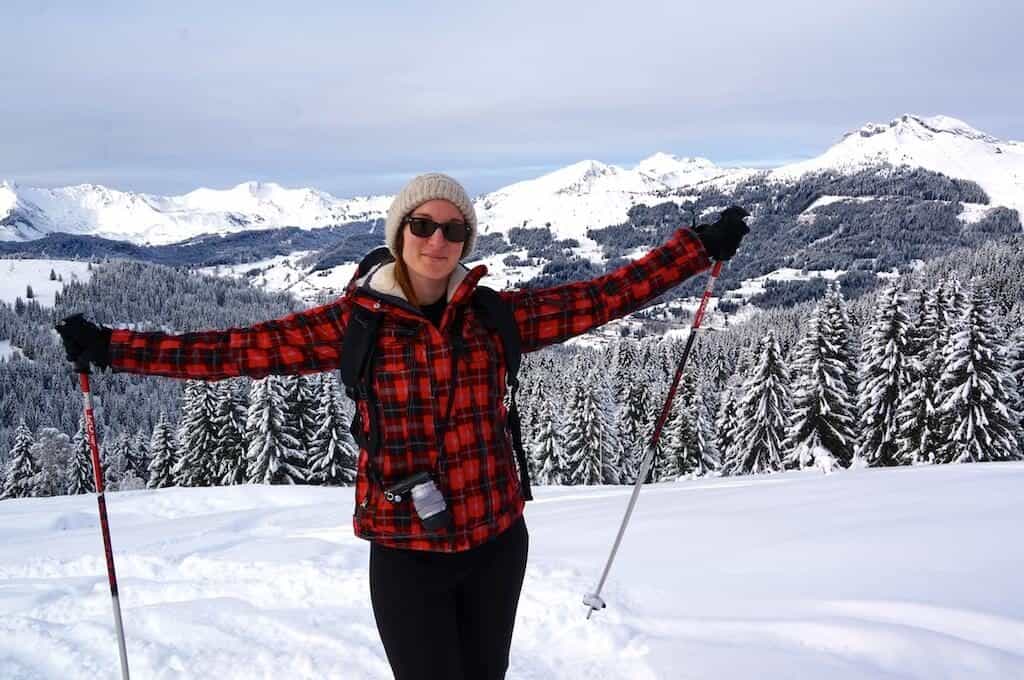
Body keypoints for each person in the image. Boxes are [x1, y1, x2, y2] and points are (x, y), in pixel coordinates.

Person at [56, 172, 749, 680]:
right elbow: (237, 351)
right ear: (399, 235)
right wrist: (117, 349)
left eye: (454, 230)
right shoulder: (354, 323)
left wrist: (695, 248)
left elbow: (605, 296)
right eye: (423, 226)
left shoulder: (493, 317)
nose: (438, 240)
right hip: (405, 550)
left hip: (497, 541)